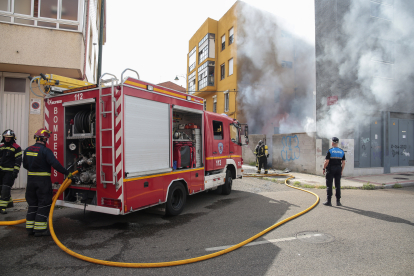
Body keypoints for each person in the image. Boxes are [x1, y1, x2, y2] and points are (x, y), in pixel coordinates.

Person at [23, 128, 72, 237]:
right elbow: (55, 164)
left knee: (32, 204)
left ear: (36, 138)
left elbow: (25, 165)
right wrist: (66, 172)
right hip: (43, 182)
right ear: (45, 139)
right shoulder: (45, 151)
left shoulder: (27, 150)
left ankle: (30, 228)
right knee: (43, 204)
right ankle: (40, 230)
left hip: (30, 181)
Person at [0, 129, 22, 214]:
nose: (7, 139)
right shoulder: (1, 147)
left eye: (9, 137)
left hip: (10, 172)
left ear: (12, 138)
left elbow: (18, 160)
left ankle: (2, 207)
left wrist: (15, 171)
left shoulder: (16, 147)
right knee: (1, 188)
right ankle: (9, 203)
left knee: (5, 189)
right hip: (1, 171)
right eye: (6, 137)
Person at [323, 137, 346, 206]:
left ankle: (329, 201)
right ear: (337, 143)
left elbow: (326, 161)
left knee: (329, 185)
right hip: (338, 169)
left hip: (330, 169)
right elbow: (344, 163)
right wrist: (341, 170)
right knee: (337, 185)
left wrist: (324, 168)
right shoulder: (341, 151)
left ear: (332, 143)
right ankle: (338, 201)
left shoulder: (330, 151)